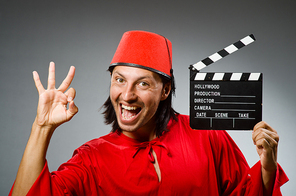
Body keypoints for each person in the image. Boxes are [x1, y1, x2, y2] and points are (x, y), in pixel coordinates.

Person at [10, 30, 288, 196]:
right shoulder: (91, 159)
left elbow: (247, 193)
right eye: (119, 79)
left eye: (142, 83)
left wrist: (266, 166)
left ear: (165, 90)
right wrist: (41, 127)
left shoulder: (208, 135)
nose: (127, 94)